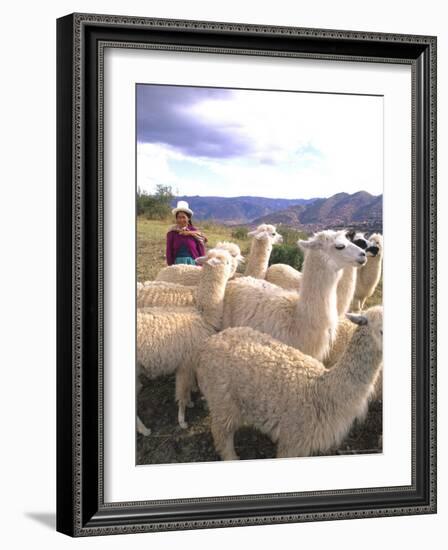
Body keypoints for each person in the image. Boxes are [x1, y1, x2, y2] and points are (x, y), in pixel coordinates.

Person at [166, 201, 208, 266]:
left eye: (183, 217)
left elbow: (201, 250)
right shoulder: (172, 233)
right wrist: (170, 265)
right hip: (177, 265)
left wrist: (201, 265)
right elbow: (169, 251)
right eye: (179, 217)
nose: (181, 220)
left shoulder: (195, 233)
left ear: (188, 218)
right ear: (176, 218)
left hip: (193, 265)